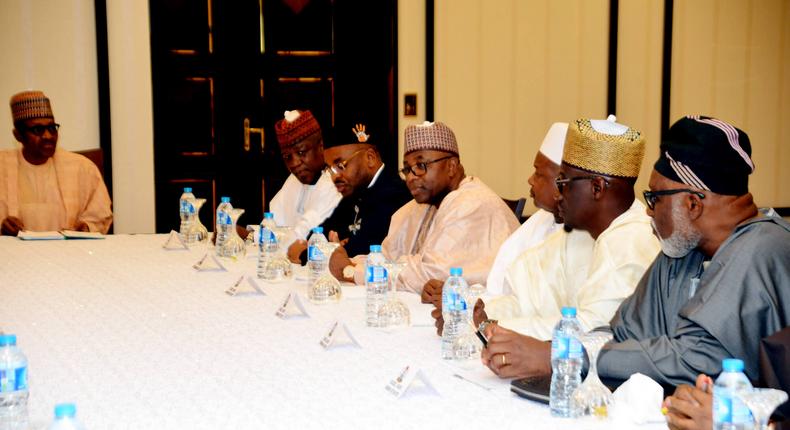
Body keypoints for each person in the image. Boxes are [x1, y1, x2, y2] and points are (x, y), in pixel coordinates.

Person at [596, 116, 790, 387]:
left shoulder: (761, 249)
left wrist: (586, 357)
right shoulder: (684, 249)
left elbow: (699, 361)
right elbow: (624, 332)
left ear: (692, 205)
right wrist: (567, 349)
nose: (649, 211)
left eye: (654, 197)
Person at [468, 116, 659, 342]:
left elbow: (591, 331)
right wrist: (483, 312)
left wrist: (497, 327)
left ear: (596, 188)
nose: (557, 194)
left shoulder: (633, 241)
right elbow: (531, 297)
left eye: (563, 183)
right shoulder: (582, 231)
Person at [330, 121, 520, 293]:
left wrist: (350, 271)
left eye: (421, 165)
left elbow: (430, 274)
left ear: (452, 166)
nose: (411, 176)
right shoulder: (419, 206)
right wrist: (350, 262)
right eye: (407, 168)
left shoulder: (471, 203)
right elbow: (387, 257)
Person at [288, 121, 411, 274]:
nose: (335, 176)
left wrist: (304, 255)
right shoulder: (354, 188)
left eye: (340, 166)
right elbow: (318, 234)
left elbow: (361, 251)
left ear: (370, 158)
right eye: (329, 168)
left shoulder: (395, 194)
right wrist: (335, 247)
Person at [0, 90, 112, 235]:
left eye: (52, 128)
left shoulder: (82, 167)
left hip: (68, 253)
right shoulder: (3, 165)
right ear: (18, 135)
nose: (48, 136)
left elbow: (100, 215)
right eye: (37, 129)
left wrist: (85, 228)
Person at [483, 122, 568, 295]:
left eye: (538, 173)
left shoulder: (588, 234)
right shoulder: (541, 219)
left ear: (562, 181)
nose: (530, 180)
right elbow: (499, 280)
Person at [270, 110, 342, 249]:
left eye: (301, 152)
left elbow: (301, 240)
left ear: (320, 146)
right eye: (287, 157)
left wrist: (251, 235)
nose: (294, 163)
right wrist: (248, 233)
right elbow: (270, 223)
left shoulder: (335, 183)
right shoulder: (293, 180)